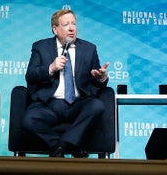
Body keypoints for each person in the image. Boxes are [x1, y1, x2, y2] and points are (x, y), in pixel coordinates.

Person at [22, 8, 110, 158]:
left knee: (97, 105)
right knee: (28, 119)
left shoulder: (89, 49)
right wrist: (50, 68)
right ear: (55, 29)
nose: (71, 28)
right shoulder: (41, 47)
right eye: (66, 24)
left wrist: (101, 78)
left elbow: (97, 82)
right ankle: (68, 145)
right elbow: (30, 75)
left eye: (74, 24)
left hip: (78, 104)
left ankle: (61, 147)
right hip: (49, 105)